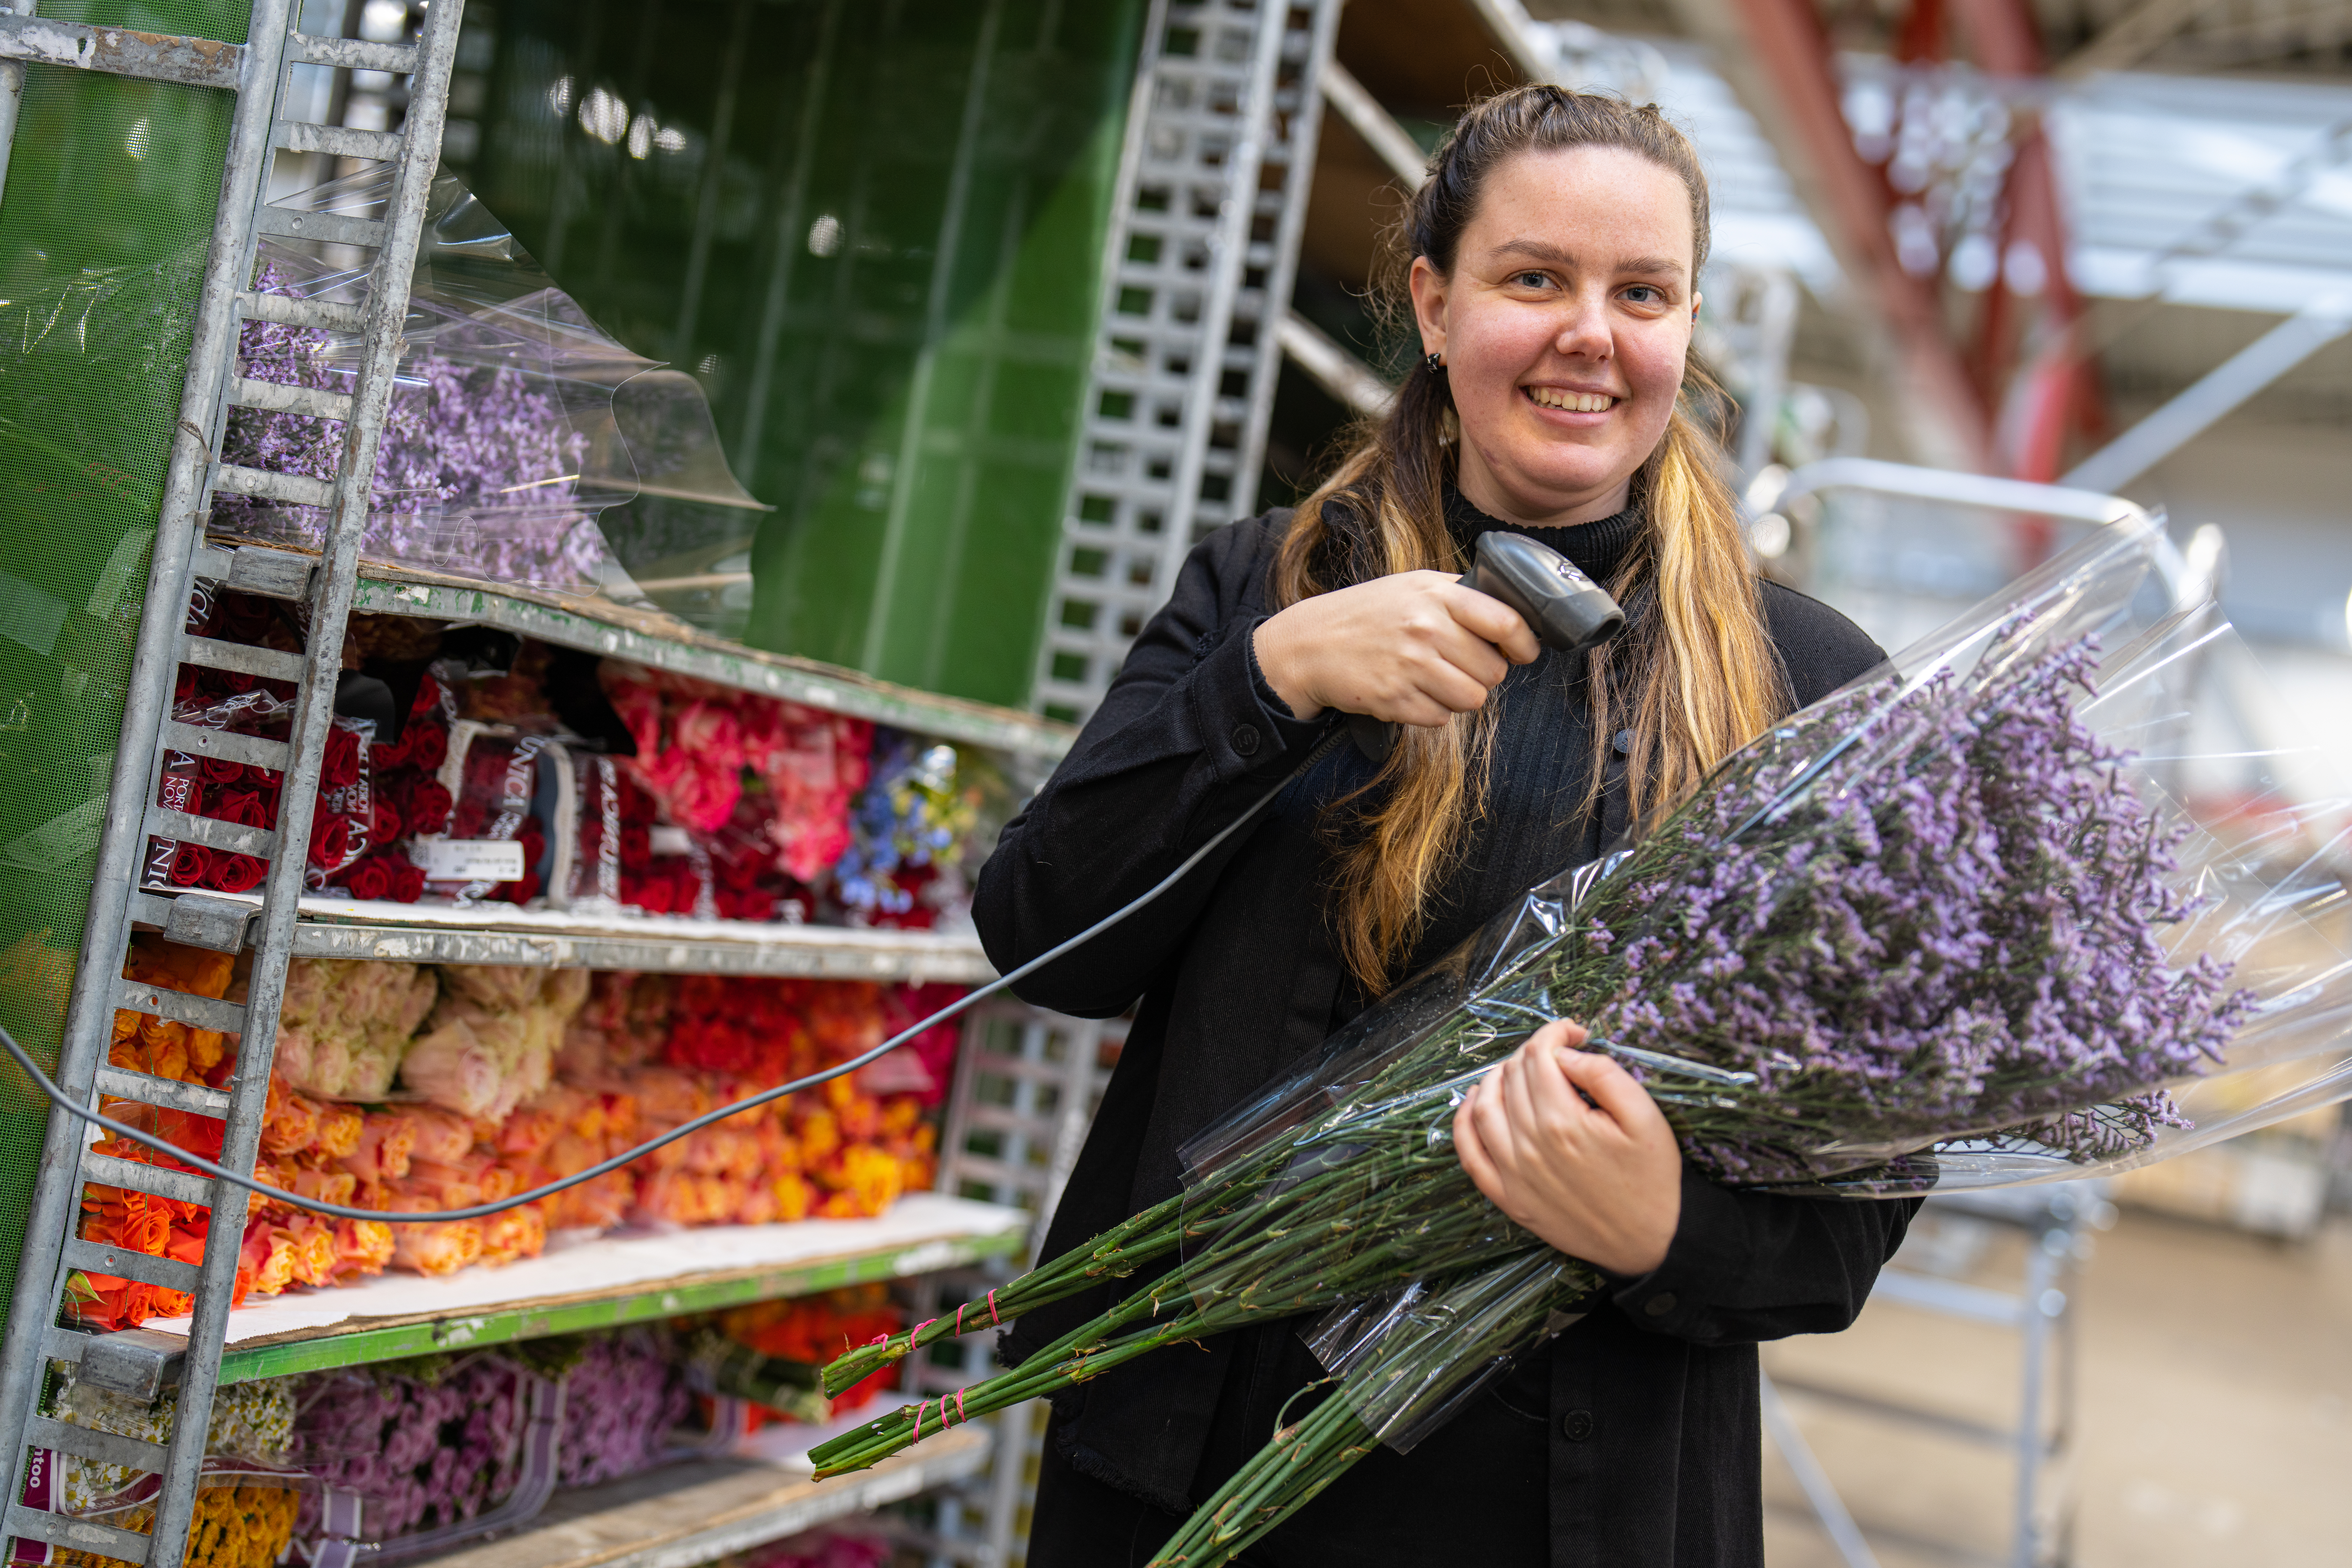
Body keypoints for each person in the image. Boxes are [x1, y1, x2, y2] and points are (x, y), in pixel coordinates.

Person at [974, 84, 1918, 1568]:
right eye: (1534, 277)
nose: (1589, 333)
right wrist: (1269, 685)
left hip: (1570, 1505)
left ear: (1685, 326)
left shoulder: (1811, 687)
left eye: (1642, 292)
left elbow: (1861, 1206)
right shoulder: (1268, 593)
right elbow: (1045, 939)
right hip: (1197, 1459)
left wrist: (1665, 1222)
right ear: (1433, 299)